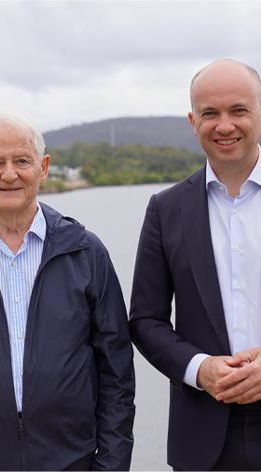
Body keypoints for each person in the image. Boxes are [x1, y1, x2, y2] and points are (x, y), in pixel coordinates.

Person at [0, 108, 135, 472]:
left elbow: (118, 377)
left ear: (43, 168)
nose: (9, 174)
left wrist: (109, 466)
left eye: (22, 161)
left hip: (70, 461)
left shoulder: (86, 253)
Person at [130, 59, 261, 472]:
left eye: (238, 110)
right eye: (210, 113)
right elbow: (145, 320)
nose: (225, 126)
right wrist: (199, 368)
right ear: (193, 121)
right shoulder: (164, 209)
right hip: (202, 441)